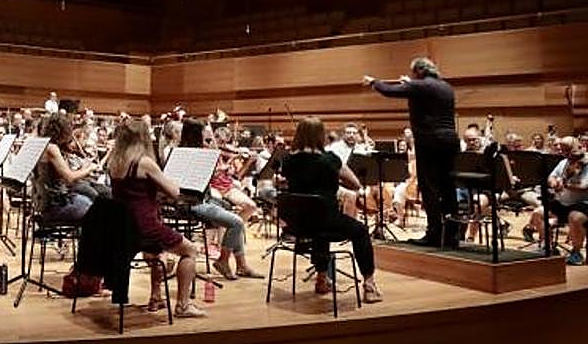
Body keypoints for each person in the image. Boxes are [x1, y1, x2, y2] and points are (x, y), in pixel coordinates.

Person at [107, 119, 207, 318]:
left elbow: (134, 193)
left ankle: (156, 297)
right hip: (144, 225)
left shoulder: (115, 162)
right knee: (190, 251)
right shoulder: (144, 163)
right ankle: (183, 305)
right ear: (143, 138)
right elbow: (173, 192)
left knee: (157, 252)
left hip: (123, 226)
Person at [281, 117, 382, 302]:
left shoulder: (287, 160)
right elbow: (355, 183)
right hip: (325, 220)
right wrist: (335, 178)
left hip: (297, 224)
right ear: (321, 135)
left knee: (318, 221)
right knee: (359, 231)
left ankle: (321, 279)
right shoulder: (329, 160)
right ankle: (369, 284)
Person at [364, 57, 459, 248]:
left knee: (429, 187)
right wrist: (411, 84)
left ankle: (434, 234)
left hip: (430, 140)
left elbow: (389, 91)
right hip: (450, 140)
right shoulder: (446, 87)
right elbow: (422, 95)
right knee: (448, 187)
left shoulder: (420, 85)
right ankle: (452, 234)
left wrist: (374, 82)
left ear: (418, 72)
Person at [178, 119, 263, 280]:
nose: (207, 138)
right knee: (237, 222)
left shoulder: (186, 152)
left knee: (235, 221)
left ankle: (242, 265)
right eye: (204, 134)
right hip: (195, 203)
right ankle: (223, 261)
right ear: (197, 135)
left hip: (200, 200)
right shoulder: (197, 154)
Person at [33, 112, 100, 225]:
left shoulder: (42, 144)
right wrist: (90, 168)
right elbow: (69, 178)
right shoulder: (52, 148)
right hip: (56, 205)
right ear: (62, 131)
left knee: (92, 200)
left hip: (45, 201)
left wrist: (82, 166)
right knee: (99, 210)